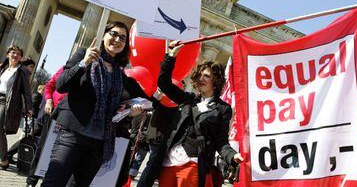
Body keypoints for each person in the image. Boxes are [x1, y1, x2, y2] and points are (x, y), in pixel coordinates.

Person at [41, 21, 148, 187]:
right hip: (73, 135)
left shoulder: (121, 75)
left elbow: (120, 108)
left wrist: (129, 112)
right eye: (113, 33)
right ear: (103, 35)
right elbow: (62, 85)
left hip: (99, 143)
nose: (117, 39)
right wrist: (84, 63)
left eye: (123, 37)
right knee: (53, 183)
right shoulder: (84, 54)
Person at [157, 41, 244, 187]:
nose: (201, 79)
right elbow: (163, 83)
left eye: (207, 76)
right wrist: (171, 56)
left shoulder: (223, 109)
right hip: (169, 162)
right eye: (200, 75)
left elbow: (221, 141)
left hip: (193, 165)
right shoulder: (188, 99)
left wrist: (232, 156)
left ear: (216, 81)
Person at [0, 45, 33, 170]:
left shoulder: (22, 71)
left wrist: (29, 107)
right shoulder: (3, 68)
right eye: (13, 52)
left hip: (7, 103)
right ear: (8, 54)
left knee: (0, 130)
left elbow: (27, 91)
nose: (15, 55)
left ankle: (4, 159)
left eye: (18, 54)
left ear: (20, 57)